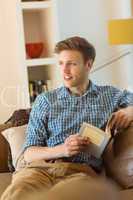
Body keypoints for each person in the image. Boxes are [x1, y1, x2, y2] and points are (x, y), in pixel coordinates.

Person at [1, 36, 133, 200]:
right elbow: (28, 154)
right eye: (61, 63)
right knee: (18, 193)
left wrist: (130, 111)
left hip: (80, 173)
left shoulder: (110, 96)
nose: (64, 70)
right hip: (39, 170)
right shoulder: (46, 100)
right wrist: (63, 149)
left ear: (88, 65)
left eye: (71, 64)